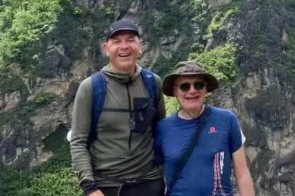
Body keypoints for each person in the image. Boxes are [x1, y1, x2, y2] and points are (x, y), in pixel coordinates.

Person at [70, 19, 166, 196]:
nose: (124, 46)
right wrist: (90, 188)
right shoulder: (91, 87)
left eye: (130, 39)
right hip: (107, 187)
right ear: (106, 48)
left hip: (150, 183)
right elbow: (78, 141)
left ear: (141, 46)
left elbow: (161, 131)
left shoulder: (152, 83)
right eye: (116, 41)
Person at [155, 61, 254, 196]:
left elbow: (242, 174)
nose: (192, 90)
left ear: (206, 89)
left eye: (198, 85)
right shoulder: (163, 128)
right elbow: (158, 178)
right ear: (175, 90)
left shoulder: (227, 120)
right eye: (184, 86)